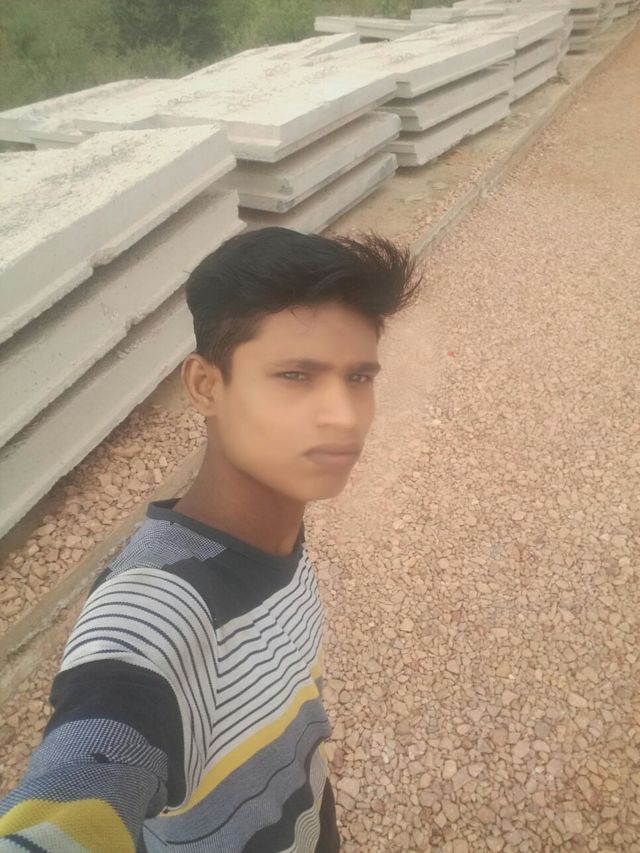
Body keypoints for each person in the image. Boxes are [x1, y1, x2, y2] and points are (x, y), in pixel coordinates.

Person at [0, 226, 419, 852]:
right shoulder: (155, 616)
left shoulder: (271, 531)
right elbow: (83, 779)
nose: (344, 416)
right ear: (204, 386)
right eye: (296, 375)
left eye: (359, 378)